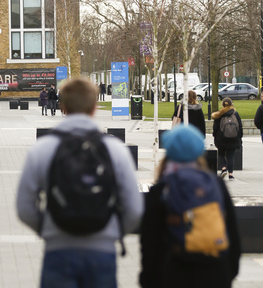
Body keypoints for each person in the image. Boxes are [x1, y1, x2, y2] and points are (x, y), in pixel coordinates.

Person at [17, 78, 143, 288]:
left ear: (62, 106)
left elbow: (24, 207)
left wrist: (48, 229)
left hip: (58, 250)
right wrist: (113, 232)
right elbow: (134, 208)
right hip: (102, 252)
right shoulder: (116, 150)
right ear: (94, 107)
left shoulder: (43, 148)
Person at [139, 125, 240, 288]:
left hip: (173, 272)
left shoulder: (161, 190)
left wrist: (148, 278)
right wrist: (228, 272)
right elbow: (232, 233)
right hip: (215, 271)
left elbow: (150, 242)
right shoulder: (216, 185)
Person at [212, 98, 242, 180]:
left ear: (222, 105)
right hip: (233, 138)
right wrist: (239, 137)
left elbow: (215, 127)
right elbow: (240, 126)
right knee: (230, 155)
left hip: (221, 138)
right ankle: (231, 174)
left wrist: (215, 135)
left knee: (221, 154)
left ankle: (223, 168)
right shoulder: (235, 114)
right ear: (231, 104)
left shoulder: (219, 114)